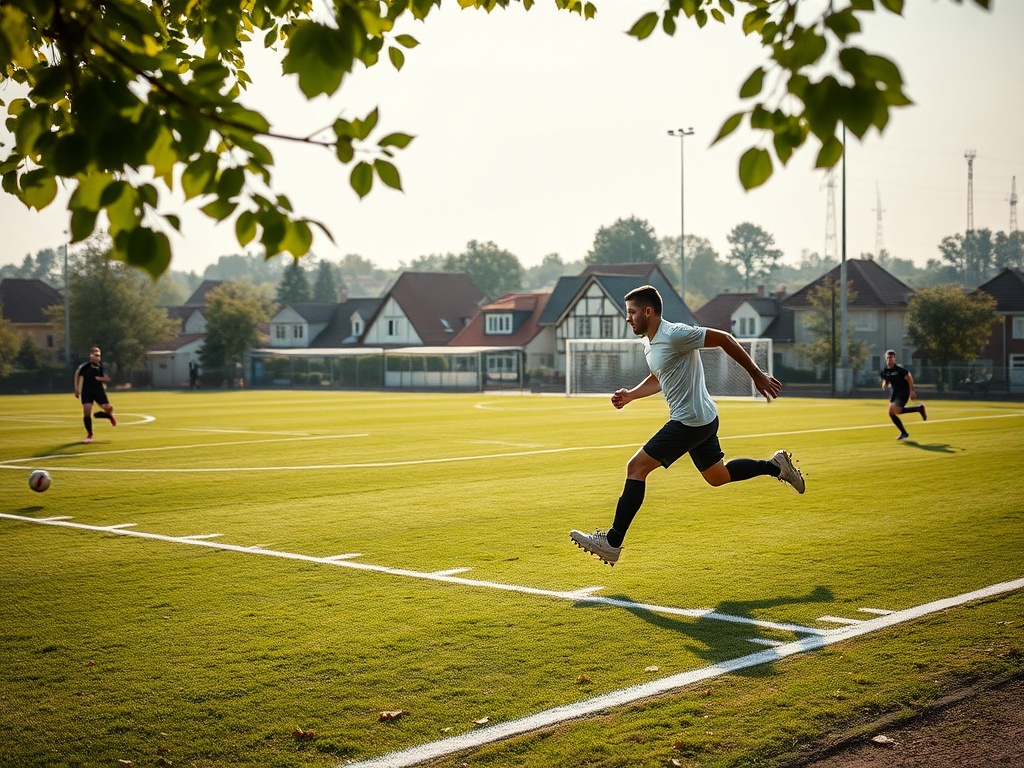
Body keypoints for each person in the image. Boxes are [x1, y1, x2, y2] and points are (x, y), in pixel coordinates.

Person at [569, 285, 805, 567]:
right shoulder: (650, 342)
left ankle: (612, 541)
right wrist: (631, 394)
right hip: (701, 419)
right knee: (718, 477)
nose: (628, 318)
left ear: (648, 311)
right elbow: (659, 376)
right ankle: (776, 466)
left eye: (631, 312)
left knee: (636, 467)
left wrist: (756, 374)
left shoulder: (675, 334)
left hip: (689, 421)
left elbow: (724, 339)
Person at [880, 349, 926, 440]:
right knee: (893, 413)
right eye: (888, 358)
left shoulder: (900, 370)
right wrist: (884, 384)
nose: (889, 360)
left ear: (894, 359)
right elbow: (886, 379)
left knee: (893, 410)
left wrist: (912, 391)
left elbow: (909, 377)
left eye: (891, 358)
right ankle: (918, 408)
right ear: (886, 358)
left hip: (904, 391)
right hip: (895, 392)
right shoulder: (886, 370)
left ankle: (904, 432)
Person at [74, 345, 117, 443]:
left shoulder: (101, 368)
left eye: (99, 355)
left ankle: (109, 416)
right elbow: (77, 375)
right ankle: (89, 434)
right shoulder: (84, 367)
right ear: (91, 355)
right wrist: (76, 389)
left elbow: (107, 379)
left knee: (109, 409)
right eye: (96, 355)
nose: (98, 357)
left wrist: (100, 379)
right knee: (87, 410)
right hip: (87, 391)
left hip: (98, 391)